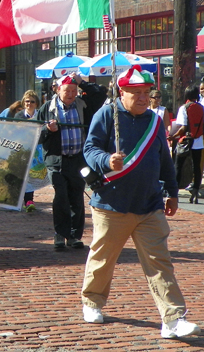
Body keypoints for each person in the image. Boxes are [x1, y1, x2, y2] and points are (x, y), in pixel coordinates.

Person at [81, 66, 200, 339]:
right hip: (112, 205)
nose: (144, 97)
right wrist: (106, 160)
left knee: (161, 263)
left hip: (149, 205)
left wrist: (171, 191)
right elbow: (90, 149)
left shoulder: (154, 121)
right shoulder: (106, 115)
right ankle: (92, 301)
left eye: (146, 92)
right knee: (103, 259)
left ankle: (172, 319)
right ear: (122, 92)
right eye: (136, 92)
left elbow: (164, 159)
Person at [36, 72, 100, 250]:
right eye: (67, 90)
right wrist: (48, 130)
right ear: (57, 90)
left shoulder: (83, 105)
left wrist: (82, 82)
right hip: (57, 160)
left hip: (78, 159)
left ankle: (74, 235)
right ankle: (60, 234)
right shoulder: (47, 108)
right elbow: (35, 135)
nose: (71, 94)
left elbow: (100, 94)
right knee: (61, 197)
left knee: (77, 198)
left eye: (74, 90)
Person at [169, 86, 204, 203]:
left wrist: (174, 136)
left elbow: (183, 127)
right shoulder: (201, 108)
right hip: (198, 141)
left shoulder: (184, 108)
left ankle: (174, 192)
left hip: (185, 141)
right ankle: (195, 191)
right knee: (197, 167)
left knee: (178, 165)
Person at [14, 91, 40, 209]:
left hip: (38, 148)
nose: (29, 104)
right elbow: (17, 129)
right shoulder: (19, 115)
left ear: (36, 103)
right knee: (24, 174)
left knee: (34, 174)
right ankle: (25, 200)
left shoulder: (40, 115)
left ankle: (29, 200)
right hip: (23, 148)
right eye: (27, 101)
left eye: (32, 101)